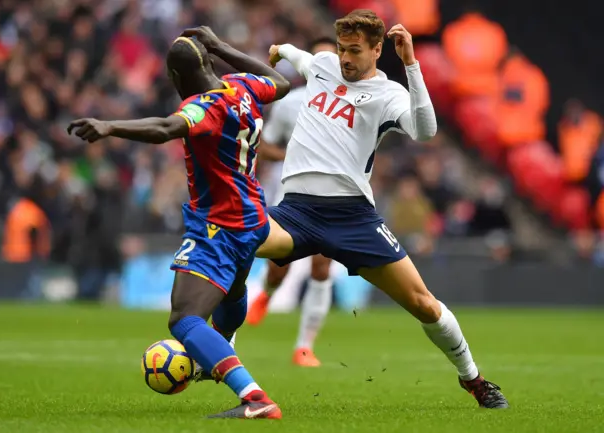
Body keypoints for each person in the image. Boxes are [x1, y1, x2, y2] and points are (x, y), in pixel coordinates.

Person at [202, 9, 509, 409]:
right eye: (342, 48)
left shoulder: (390, 95)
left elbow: (426, 130)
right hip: (296, 210)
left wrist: (411, 64)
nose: (345, 58)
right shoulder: (325, 66)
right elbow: (302, 57)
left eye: (355, 50)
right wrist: (281, 50)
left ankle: (474, 379)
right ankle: (223, 347)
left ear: (378, 50)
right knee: (236, 241)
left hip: (353, 218)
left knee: (423, 304)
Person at [68, 32, 291, 419]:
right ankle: (216, 355)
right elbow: (282, 82)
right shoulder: (242, 86)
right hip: (254, 218)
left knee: (184, 318)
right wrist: (220, 47)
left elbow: (164, 129)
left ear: (175, 75)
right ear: (209, 64)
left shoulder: (203, 108)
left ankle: (254, 398)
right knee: (232, 290)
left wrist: (109, 127)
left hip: (219, 226)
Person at [246, 36, 338, 368]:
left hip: (334, 196)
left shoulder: (352, 102)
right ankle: (267, 293)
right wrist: (293, 154)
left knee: (322, 265)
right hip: (294, 193)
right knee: (280, 266)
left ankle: (304, 347)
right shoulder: (291, 103)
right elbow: (264, 146)